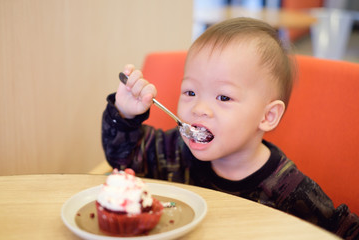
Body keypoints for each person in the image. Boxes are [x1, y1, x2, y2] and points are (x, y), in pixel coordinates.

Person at [101, 17, 359, 239]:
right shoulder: (173, 151)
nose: (199, 108)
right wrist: (124, 114)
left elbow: (342, 229)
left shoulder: (289, 190)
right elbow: (125, 156)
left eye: (223, 97)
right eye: (190, 91)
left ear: (268, 116)